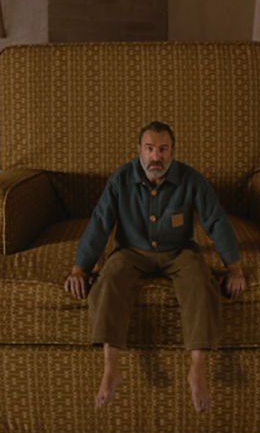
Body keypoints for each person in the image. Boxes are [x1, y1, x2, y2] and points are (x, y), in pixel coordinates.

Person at [64, 121, 246, 413]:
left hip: (179, 252)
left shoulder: (191, 179)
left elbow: (216, 220)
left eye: (163, 149)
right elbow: (100, 223)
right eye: (149, 149)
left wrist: (234, 268)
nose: (156, 157)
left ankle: (197, 370)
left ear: (173, 151)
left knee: (201, 281)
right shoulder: (121, 178)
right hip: (130, 252)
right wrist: (80, 269)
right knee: (108, 280)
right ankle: (111, 369)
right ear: (139, 150)